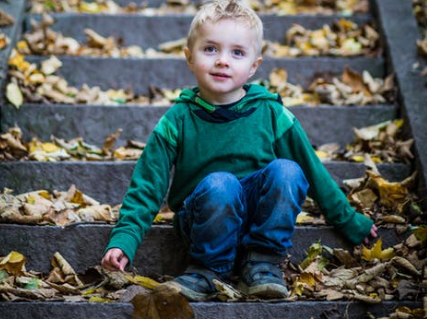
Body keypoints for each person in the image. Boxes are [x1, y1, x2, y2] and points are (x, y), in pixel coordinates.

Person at [101, 0, 378, 301]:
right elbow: (148, 185)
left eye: (237, 52)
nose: (223, 61)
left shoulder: (271, 113)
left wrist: (349, 222)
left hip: (259, 219)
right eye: (210, 49)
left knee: (288, 170)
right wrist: (124, 239)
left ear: (253, 66)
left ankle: (261, 262)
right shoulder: (178, 120)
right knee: (222, 183)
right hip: (203, 221)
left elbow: (313, 170)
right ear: (189, 57)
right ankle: (209, 269)